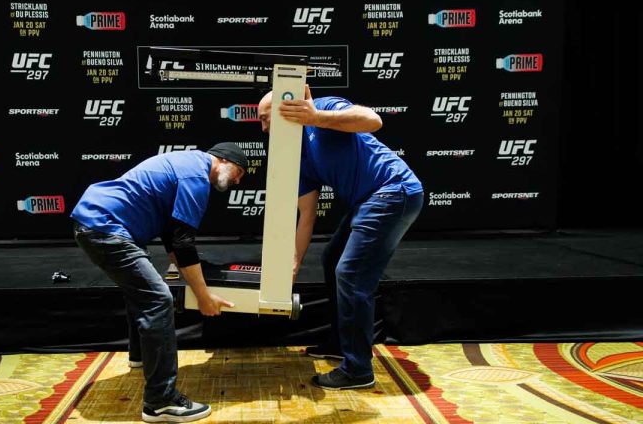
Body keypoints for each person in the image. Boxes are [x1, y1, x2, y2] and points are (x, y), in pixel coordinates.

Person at [258, 86, 424, 390]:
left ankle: (358, 369)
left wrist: (317, 117)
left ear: (288, 110)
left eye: (267, 119)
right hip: (369, 200)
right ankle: (340, 343)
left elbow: (372, 120)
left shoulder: (322, 108)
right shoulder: (294, 154)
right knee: (332, 257)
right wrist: (293, 263)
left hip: (393, 190)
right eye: (261, 123)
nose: (265, 129)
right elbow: (307, 214)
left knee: (350, 274)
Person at [71, 142, 247, 422]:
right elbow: (183, 242)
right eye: (239, 171)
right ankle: (160, 402)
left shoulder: (187, 163)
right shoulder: (196, 177)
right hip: (106, 228)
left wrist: (184, 270)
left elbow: (171, 234)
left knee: (141, 292)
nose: (238, 180)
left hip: (95, 223)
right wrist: (203, 296)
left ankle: (139, 357)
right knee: (158, 299)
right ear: (223, 160)